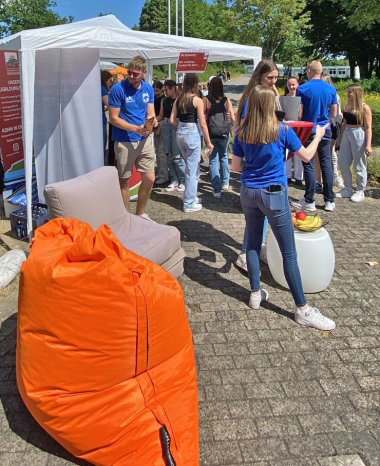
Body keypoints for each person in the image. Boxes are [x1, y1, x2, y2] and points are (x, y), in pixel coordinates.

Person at [232, 85, 336, 331]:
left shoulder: (242, 132)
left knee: (253, 245)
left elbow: (236, 167)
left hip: (248, 192)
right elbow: (308, 156)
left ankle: (255, 293)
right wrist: (319, 135)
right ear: (271, 106)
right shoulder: (282, 130)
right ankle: (303, 309)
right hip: (274, 194)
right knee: (289, 253)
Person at [235, 59, 280, 272]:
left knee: (260, 217)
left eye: (275, 78)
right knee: (257, 217)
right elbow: (247, 129)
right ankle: (246, 253)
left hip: (263, 165)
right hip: (257, 166)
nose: (273, 81)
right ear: (260, 76)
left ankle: (253, 249)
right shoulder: (254, 97)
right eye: (270, 78)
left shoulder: (262, 93)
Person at [109, 55, 157, 219]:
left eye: (135, 74)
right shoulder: (118, 89)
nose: (131, 76)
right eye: (130, 72)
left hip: (145, 140)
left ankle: (140, 214)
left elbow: (150, 112)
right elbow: (113, 118)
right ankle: (126, 218)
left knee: (150, 178)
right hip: (124, 141)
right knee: (125, 182)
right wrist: (135, 129)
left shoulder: (148, 89)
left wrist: (152, 121)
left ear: (144, 72)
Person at [292, 60, 338, 212]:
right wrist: (326, 123)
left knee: (309, 163)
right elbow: (335, 113)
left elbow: (299, 113)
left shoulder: (303, 89)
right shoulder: (331, 89)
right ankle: (329, 200)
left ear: (310, 71)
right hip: (325, 129)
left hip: (309, 129)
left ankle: (309, 200)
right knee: (326, 163)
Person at [170, 73, 213, 213]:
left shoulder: (178, 99)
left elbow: (171, 120)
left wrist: (181, 126)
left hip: (180, 134)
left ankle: (192, 197)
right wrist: (208, 142)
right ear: (195, 84)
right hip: (192, 134)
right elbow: (202, 123)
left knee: (191, 168)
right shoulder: (197, 100)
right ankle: (188, 203)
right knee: (192, 171)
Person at [336, 84, 373, 203]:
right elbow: (344, 123)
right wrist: (339, 140)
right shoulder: (347, 106)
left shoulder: (364, 108)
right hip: (347, 132)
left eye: (349, 92)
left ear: (356, 93)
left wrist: (368, 145)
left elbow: (368, 127)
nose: (347, 94)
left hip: (359, 133)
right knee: (342, 162)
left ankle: (360, 190)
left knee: (359, 163)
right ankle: (348, 188)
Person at [203, 76, 235, 198]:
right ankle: (225, 183)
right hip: (224, 134)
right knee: (224, 157)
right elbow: (232, 118)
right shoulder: (226, 100)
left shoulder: (206, 100)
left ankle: (216, 189)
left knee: (213, 160)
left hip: (211, 134)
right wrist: (229, 127)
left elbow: (202, 117)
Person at [157, 80, 185, 192]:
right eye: (164, 90)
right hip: (165, 124)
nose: (165, 92)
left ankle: (182, 179)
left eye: (167, 90)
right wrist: (152, 121)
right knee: (167, 153)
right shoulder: (164, 100)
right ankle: (174, 179)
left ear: (173, 88)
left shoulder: (180, 100)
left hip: (176, 126)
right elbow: (160, 115)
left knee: (177, 155)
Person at [321, 74, 344, 189]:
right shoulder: (332, 94)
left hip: (329, 125)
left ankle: (335, 176)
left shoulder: (333, 95)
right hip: (331, 125)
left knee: (329, 153)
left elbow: (337, 114)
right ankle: (332, 176)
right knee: (328, 153)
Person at [284, 76, 304, 187]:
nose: (291, 87)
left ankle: (298, 177)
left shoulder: (301, 99)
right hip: (287, 127)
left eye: (293, 84)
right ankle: (287, 175)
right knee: (287, 153)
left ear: (297, 85)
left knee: (298, 153)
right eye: (289, 85)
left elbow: (301, 114)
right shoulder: (283, 98)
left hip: (299, 128)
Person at [152, 81, 169, 185]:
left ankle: (164, 174)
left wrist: (158, 126)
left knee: (161, 152)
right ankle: (161, 172)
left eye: (157, 90)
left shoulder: (163, 99)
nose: (155, 92)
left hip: (160, 124)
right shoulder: (156, 98)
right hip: (155, 124)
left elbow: (161, 115)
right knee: (157, 151)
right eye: (154, 91)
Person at [100, 70, 113, 164]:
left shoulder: (97, 88)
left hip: (98, 120)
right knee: (102, 147)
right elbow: (109, 105)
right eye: (110, 80)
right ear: (106, 80)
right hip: (100, 122)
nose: (111, 83)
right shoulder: (103, 89)